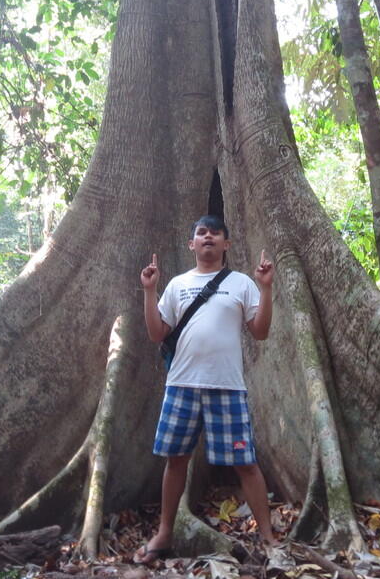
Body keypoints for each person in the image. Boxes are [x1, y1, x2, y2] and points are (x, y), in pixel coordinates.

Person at [134, 215, 275, 565]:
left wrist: (267, 288)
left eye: (215, 233)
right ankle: (165, 532)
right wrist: (149, 291)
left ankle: (269, 538)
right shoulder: (178, 285)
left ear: (226, 244)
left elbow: (260, 331)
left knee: (246, 463)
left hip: (226, 387)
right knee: (176, 461)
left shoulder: (241, 283)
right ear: (191, 244)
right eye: (201, 232)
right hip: (181, 385)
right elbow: (156, 333)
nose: (208, 236)